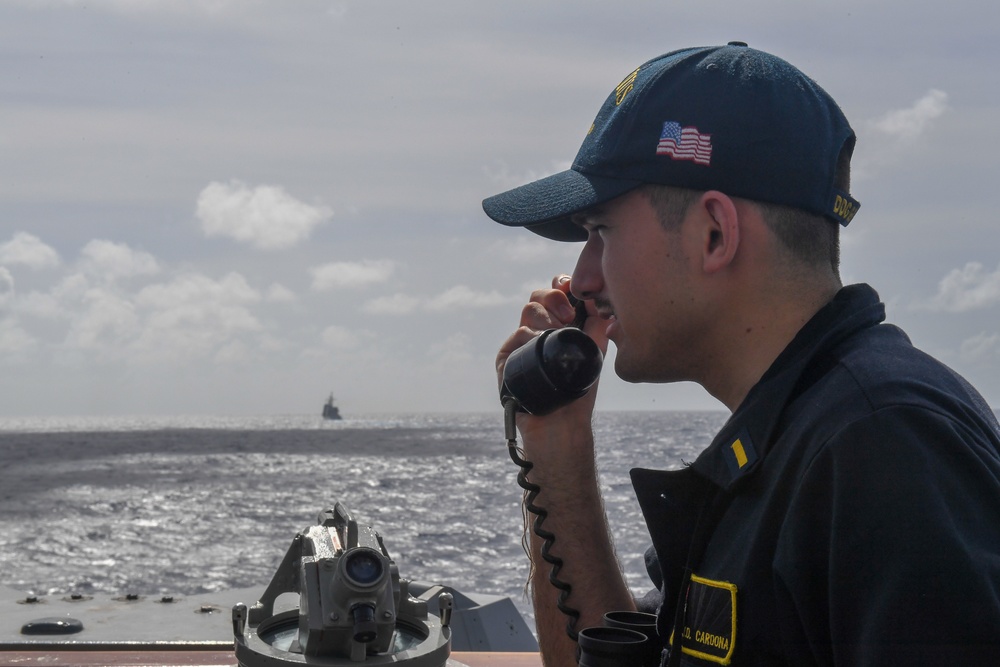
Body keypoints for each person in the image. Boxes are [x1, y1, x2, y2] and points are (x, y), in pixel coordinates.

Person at [484, 43, 1000, 666]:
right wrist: (556, 449)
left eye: (601, 232)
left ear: (715, 233)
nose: (583, 279)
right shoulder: (798, 439)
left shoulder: (885, 445)